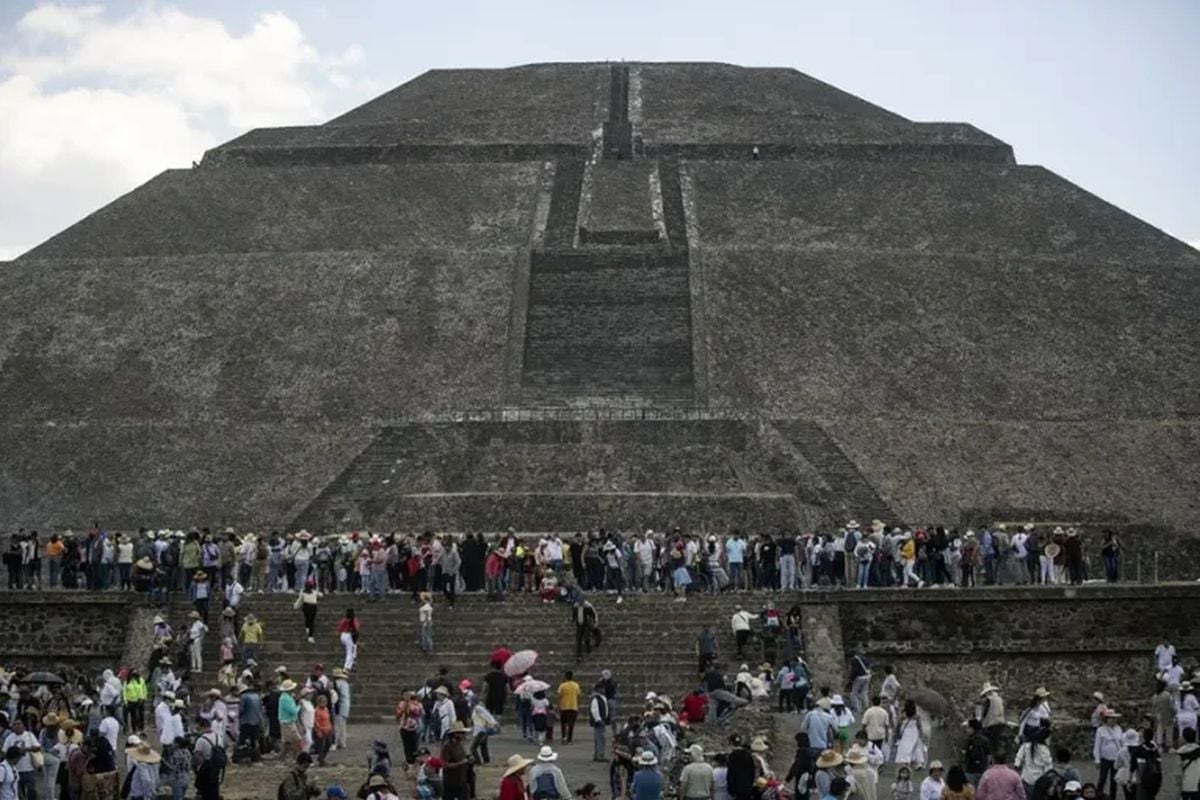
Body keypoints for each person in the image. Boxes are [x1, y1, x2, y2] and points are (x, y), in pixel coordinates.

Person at [1014, 731, 1053, 797]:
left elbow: (1017, 761)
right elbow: (1049, 767)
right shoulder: (1044, 749)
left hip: (1026, 779)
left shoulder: (1025, 746)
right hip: (1040, 781)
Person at [440, 721, 471, 800]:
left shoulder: (462, 744)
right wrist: (461, 763)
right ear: (455, 734)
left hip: (462, 780)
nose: (463, 735)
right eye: (461, 733)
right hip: (450, 782)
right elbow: (445, 765)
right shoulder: (447, 746)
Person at [894, 700, 927, 770]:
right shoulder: (916, 716)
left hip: (906, 733)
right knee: (915, 748)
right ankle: (917, 763)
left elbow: (898, 724)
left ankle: (906, 763)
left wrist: (897, 734)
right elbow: (919, 726)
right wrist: (921, 735)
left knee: (906, 749)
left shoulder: (903, 715)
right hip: (914, 732)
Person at [558, 671, 581, 744]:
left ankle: (564, 737)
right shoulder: (576, 685)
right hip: (573, 706)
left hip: (564, 707)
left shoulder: (562, 685)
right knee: (571, 724)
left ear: (565, 677)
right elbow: (578, 695)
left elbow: (559, 695)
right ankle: (569, 739)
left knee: (563, 723)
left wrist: (558, 704)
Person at [1178, 727, 1200, 800]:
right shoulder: (1198, 749)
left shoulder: (1180, 751)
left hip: (1185, 785)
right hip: (1197, 785)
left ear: (1184, 738)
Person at [589, 683, 609, 762]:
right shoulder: (596, 699)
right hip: (599, 721)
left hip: (602, 719)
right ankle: (600, 754)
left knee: (599, 738)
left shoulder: (601, 697)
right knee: (600, 738)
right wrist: (598, 720)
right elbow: (594, 710)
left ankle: (598, 754)